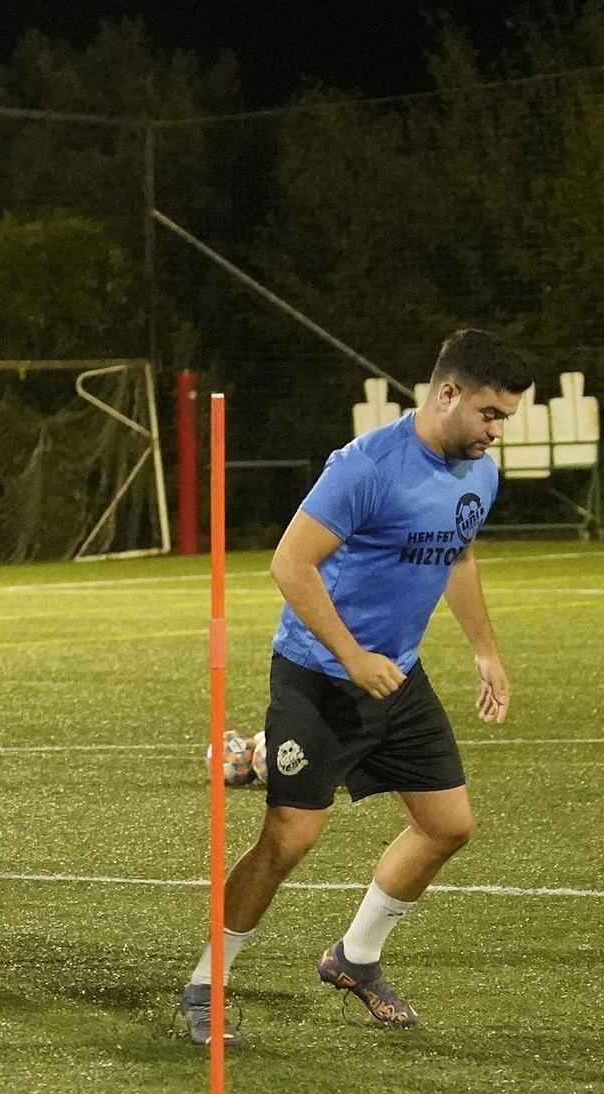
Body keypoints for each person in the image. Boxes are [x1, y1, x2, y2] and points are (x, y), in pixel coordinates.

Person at [176, 328, 530, 1045]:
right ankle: (205, 984)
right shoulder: (366, 465)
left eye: (506, 419)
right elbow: (290, 564)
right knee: (288, 838)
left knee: (448, 825)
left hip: (396, 676)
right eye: (491, 414)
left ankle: (354, 957)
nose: (497, 432)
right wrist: (352, 653)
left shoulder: (478, 473)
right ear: (448, 393)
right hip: (320, 676)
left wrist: (485, 651)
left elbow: (458, 557)